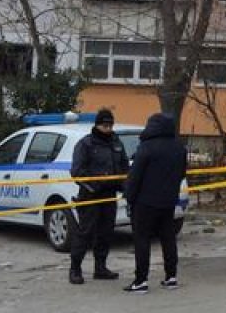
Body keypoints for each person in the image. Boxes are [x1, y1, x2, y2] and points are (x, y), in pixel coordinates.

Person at [123, 112, 188, 294]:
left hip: (145, 202)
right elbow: (182, 173)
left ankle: (141, 280)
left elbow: (135, 176)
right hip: (168, 200)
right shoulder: (179, 148)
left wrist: (129, 196)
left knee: (142, 239)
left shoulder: (146, 147)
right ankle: (171, 277)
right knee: (168, 238)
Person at [68, 108, 128, 284]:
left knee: (106, 233)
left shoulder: (116, 143)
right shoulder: (86, 144)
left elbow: (124, 167)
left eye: (110, 125)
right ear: (97, 125)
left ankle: (100, 268)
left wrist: (125, 185)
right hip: (90, 195)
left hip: (109, 195)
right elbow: (77, 172)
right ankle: (75, 269)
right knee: (85, 233)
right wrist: (95, 186)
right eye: (105, 125)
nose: (108, 128)